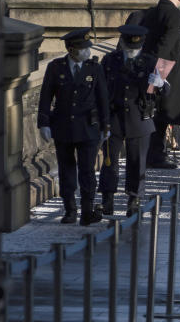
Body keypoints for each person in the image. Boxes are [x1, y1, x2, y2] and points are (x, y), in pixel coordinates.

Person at [37, 29, 109, 225]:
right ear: (71, 50)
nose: (88, 51)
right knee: (66, 170)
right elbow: (45, 97)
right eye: (83, 48)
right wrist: (43, 122)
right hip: (64, 127)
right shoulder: (56, 67)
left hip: (88, 127)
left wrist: (106, 125)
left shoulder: (94, 68)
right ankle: (70, 209)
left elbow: (103, 98)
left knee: (87, 171)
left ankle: (87, 210)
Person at [99, 25, 157, 217]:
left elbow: (164, 92)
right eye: (129, 47)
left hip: (139, 117)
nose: (132, 51)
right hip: (113, 118)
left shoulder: (150, 62)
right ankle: (107, 198)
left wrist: (161, 84)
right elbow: (100, 89)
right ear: (123, 43)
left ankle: (134, 198)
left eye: (136, 47)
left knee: (136, 160)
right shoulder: (110, 61)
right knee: (109, 161)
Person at [139, 0, 180, 169]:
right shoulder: (175, 14)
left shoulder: (151, 12)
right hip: (165, 69)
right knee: (163, 113)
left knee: (154, 112)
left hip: (152, 65)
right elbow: (168, 43)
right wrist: (158, 67)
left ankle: (156, 152)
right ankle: (157, 154)